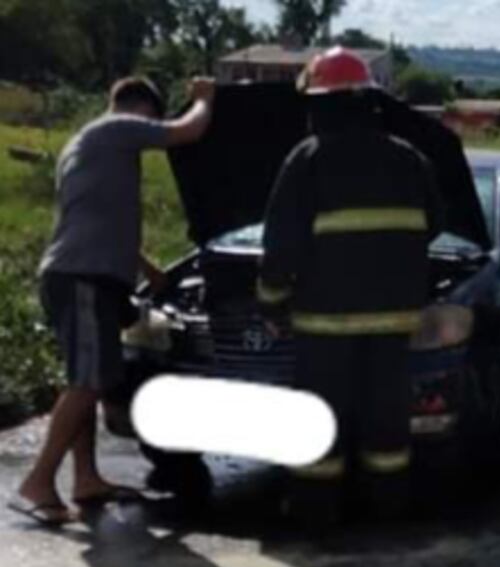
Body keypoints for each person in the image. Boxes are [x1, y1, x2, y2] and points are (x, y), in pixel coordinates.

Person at [7, 76, 215, 526]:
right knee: (88, 381)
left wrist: (146, 267)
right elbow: (187, 131)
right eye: (152, 119)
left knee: (85, 380)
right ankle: (38, 482)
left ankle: (86, 479)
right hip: (83, 277)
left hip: (75, 274)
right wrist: (204, 99)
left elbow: (98, 217)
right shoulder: (117, 127)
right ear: (141, 109)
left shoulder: (86, 144)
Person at [257, 47, 445, 523]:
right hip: (393, 321)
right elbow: (435, 223)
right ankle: (387, 506)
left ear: (319, 105)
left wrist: (272, 303)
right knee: (386, 416)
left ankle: (316, 510)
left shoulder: (308, 158)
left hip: (325, 322)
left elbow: (280, 244)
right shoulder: (408, 158)